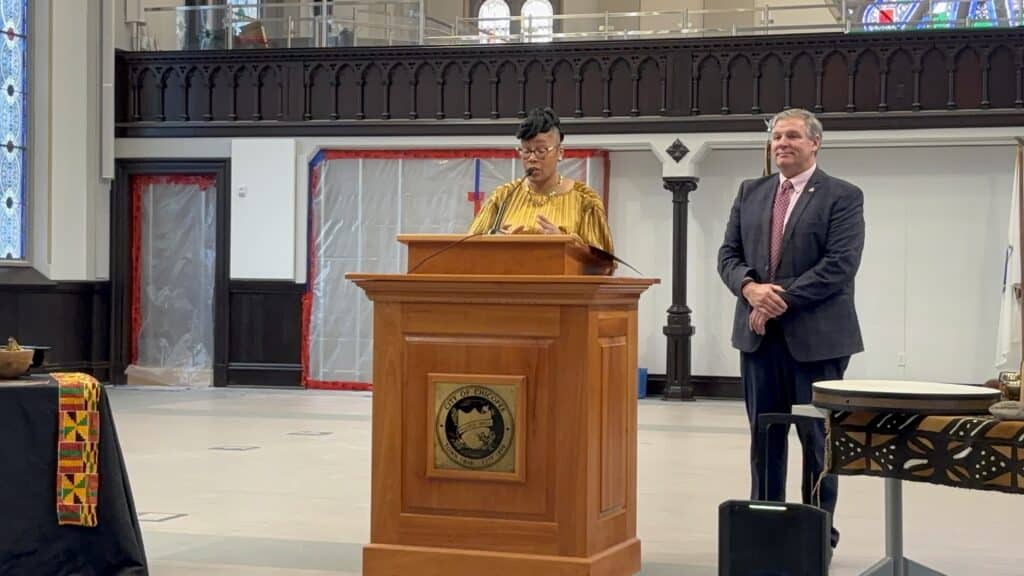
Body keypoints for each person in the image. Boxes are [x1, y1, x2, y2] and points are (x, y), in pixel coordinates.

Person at [717, 108, 865, 551]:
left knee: (818, 443)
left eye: (793, 136)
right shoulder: (750, 192)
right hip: (758, 341)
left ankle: (817, 535)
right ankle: (767, 532)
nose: (782, 143)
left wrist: (773, 301)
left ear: (815, 143)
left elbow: (839, 265)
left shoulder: (842, 195)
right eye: (777, 136)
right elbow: (727, 255)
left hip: (817, 342)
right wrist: (749, 288)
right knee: (765, 440)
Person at [468, 107, 614, 254]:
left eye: (541, 151)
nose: (532, 158)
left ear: (560, 153)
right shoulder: (503, 197)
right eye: (526, 151)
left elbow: (603, 262)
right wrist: (497, 243)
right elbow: (469, 251)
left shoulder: (585, 200)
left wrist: (565, 243)